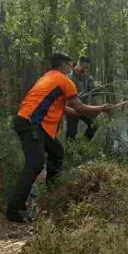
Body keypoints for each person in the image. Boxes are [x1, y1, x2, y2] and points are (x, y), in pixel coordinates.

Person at [5, 52, 112, 223]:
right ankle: (14, 209)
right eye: (70, 65)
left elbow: (65, 109)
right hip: (32, 123)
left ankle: (53, 193)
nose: (72, 68)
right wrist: (101, 108)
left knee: (57, 152)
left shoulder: (48, 78)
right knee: (35, 164)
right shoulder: (64, 81)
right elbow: (80, 107)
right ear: (63, 66)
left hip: (31, 123)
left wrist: (90, 110)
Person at [66, 56, 103, 141]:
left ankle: (83, 145)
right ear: (79, 64)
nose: (86, 70)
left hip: (83, 107)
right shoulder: (68, 76)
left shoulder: (88, 77)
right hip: (71, 108)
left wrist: (98, 90)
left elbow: (92, 92)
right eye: (84, 68)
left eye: (87, 68)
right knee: (71, 133)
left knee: (94, 125)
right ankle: (69, 152)